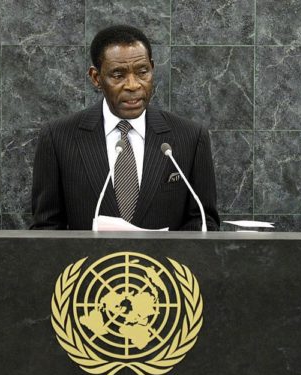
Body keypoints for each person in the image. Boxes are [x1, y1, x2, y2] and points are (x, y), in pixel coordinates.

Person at [30, 25, 219, 231]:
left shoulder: (190, 137)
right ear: (96, 78)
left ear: (152, 68)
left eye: (142, 72)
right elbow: (47, 229)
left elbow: (202, 221)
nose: (133, 85)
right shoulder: (59, 137)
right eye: (118, 75)